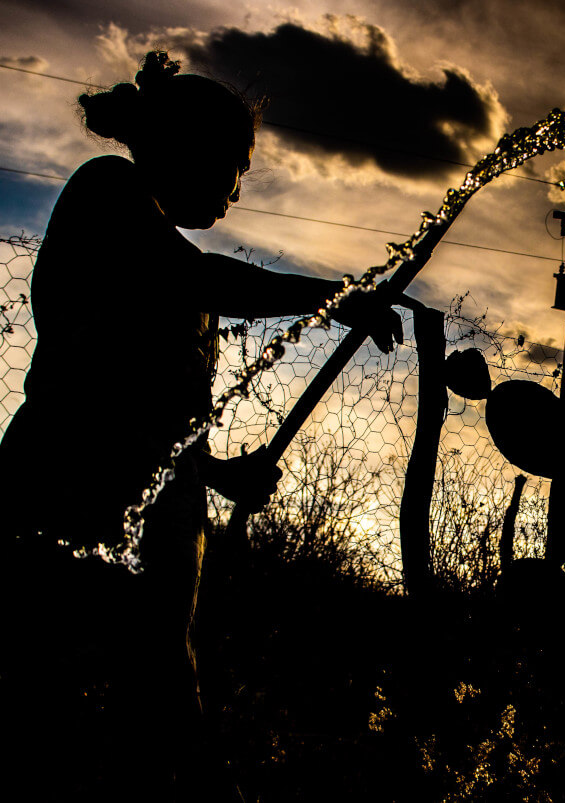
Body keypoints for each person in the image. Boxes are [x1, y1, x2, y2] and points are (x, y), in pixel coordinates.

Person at [0, 51, 403, 800]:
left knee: (151, 703)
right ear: (186, 146)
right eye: (233, 166)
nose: (236, 191)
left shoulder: (178, 271)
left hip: (149, 512)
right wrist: (334, 297)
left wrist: (216, 473)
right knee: (52, 694)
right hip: (65, 485)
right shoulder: (107, 192)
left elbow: (153, 420)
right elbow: (188, 282)